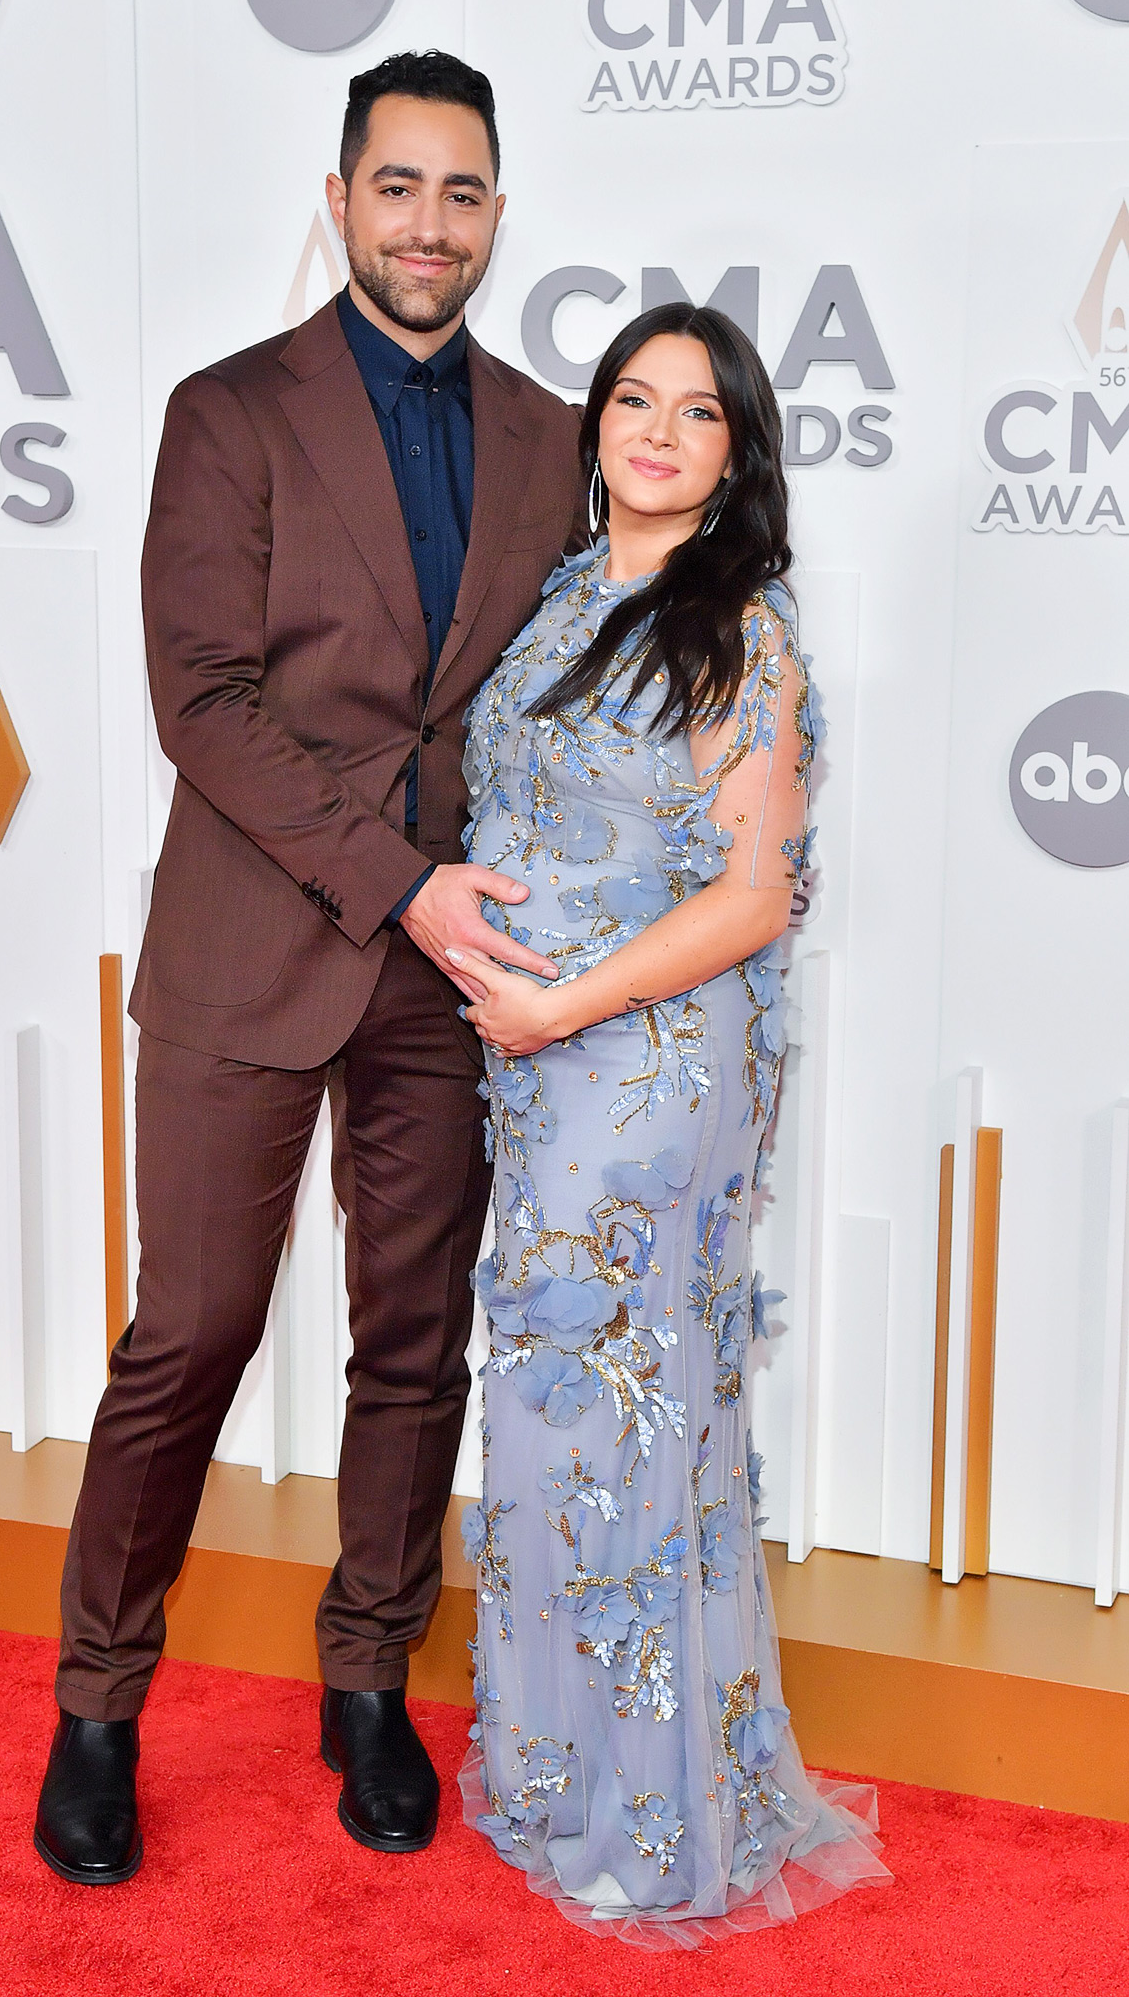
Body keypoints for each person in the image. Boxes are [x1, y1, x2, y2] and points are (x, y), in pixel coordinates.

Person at [34, 50, 582, 1884]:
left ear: (497, 215)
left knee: (412, 1343)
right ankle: (98, 1705)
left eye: (462, 192)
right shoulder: (229, 413)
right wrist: (398, 882)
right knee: (189, 1335)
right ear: (341, 201)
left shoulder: (550, 437)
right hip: (256, 942)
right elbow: (203, 701)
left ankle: (369, 1683)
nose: (430, 224)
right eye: (398, 186)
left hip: (450, 973)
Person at [448, 303, 890, 1944]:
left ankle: (658, 1818)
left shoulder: (740, 635)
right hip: (539, 1073)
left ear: (736, 453)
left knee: (625, 1426)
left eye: (696, 413)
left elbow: (755, 895)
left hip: (646, 1077)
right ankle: (566, 1777)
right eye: (633, 399)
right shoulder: (568, 594)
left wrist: (562, 1005)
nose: (654, 431)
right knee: (553, 1422)